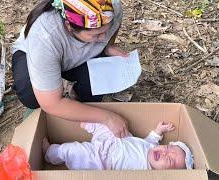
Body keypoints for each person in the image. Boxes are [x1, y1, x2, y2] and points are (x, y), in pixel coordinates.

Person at [11, 0, 131, 138]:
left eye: (106, 31)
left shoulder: (111, 7)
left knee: (99, 81)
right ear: (69, 26)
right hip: (36, 55)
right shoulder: (44, 37)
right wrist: (107, 117)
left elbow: (111, 31)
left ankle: (77, 97)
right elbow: (51, 104)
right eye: (96, 35)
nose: (103, 37)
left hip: (75, 55)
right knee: (31, 96)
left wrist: (107, 47)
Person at [43, 121, 194, 170]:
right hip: (115, 138)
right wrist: (158, 130)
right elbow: (152, 139)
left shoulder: (147, 172)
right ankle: (87, 123)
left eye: (168, 160)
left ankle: (50, 153)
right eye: (167, 148)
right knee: (108, 122)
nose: (164, 153)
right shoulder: (150, 147)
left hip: (102, 158)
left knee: (74, 150)